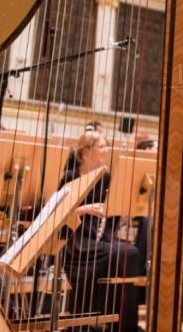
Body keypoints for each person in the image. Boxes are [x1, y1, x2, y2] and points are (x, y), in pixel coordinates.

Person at [60, 130, 140, 331]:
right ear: (86, 152)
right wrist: (85, 209)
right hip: (74, 242)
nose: (106, 150)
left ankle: (121, 323)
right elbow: (58, 215)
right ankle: (120, 324)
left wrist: (121, 213)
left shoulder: (105, 177)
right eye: (102, 146)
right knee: (128, 252)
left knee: (130, 252)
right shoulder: (69, 177)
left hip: (97, 240)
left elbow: (110, 217)